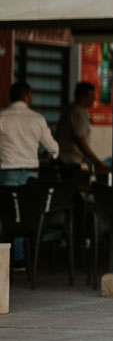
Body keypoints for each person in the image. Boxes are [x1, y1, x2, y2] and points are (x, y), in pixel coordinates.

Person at [0, 80, 59, 269]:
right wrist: (42, 153)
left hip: (7, 171)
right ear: (27, 96)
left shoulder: (2, 117)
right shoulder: (37, 119)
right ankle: (29, 255)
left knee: (11, 215)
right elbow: (54, 149)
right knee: (30, 214)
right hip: (31, 175)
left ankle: (15, 257)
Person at [57, 82, 110, 176]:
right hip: (71, 162)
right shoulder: (77, 113)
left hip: (68, 161)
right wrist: (97, 161)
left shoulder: (74, 110)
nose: (94, 98)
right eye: (92, 95)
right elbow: (80, 140)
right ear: (82, 97)